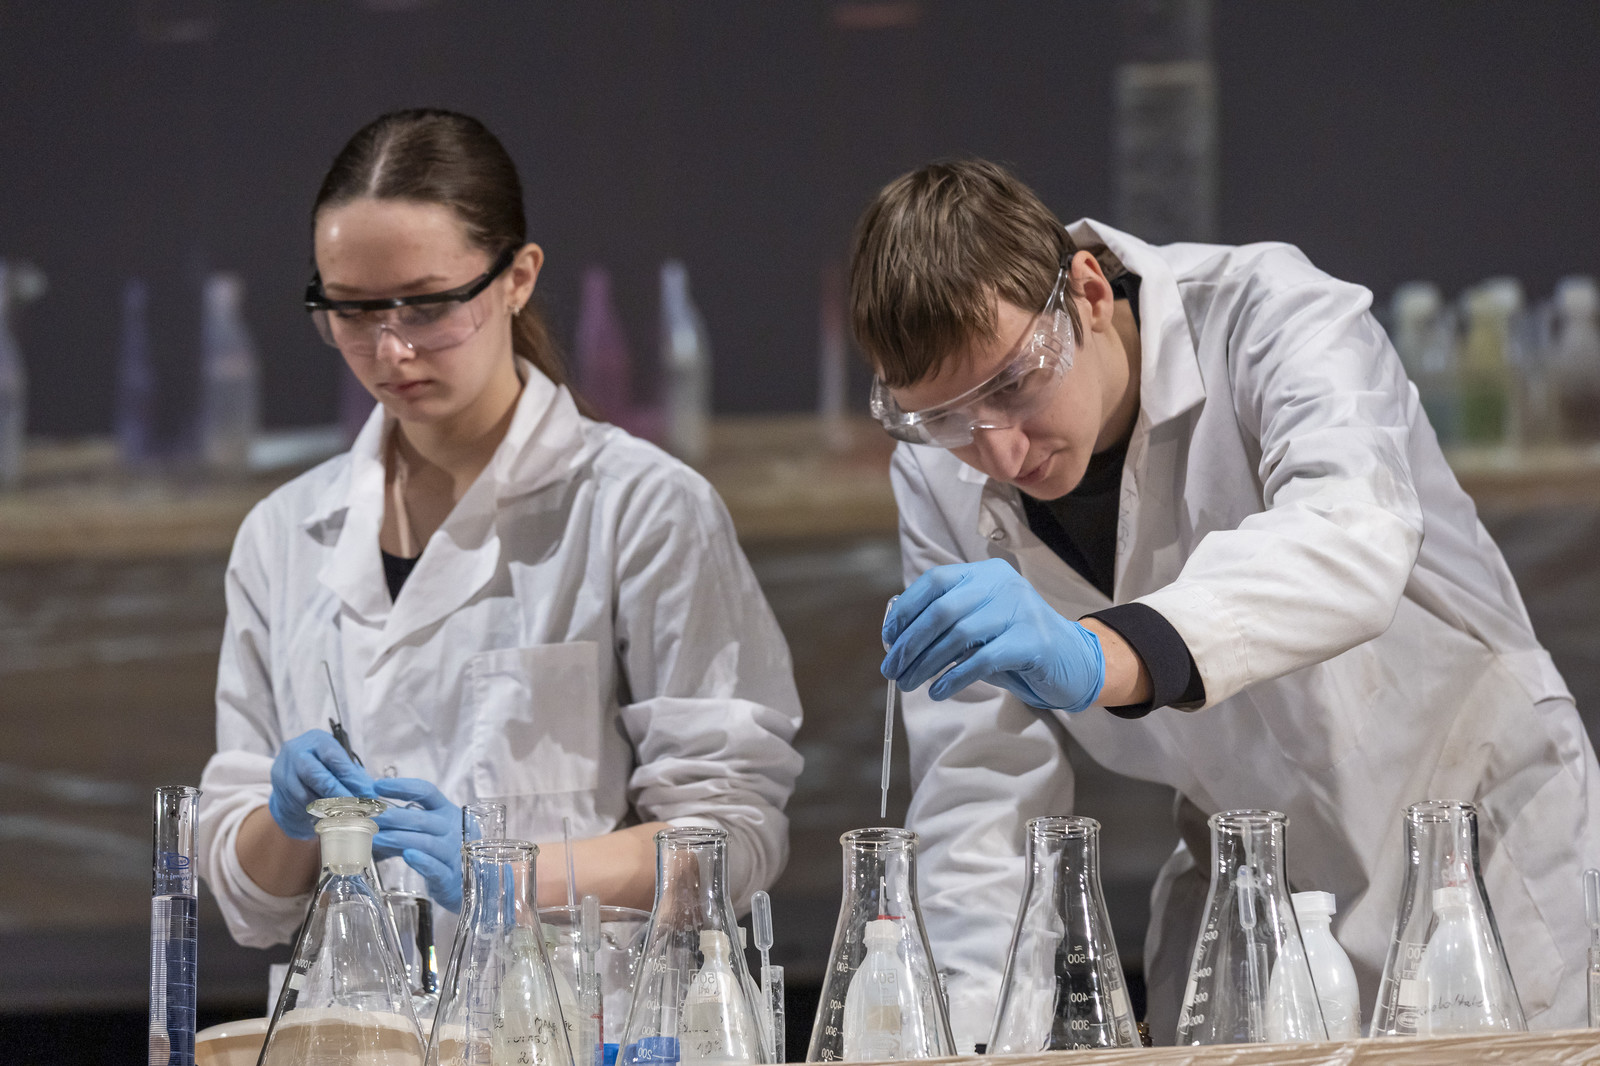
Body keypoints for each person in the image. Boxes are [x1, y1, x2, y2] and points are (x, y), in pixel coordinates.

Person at [856, 159, 1600, 1045]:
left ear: (1087, 292)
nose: (1001, 452)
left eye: (1015, 384)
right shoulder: (938, 478)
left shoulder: (1270, 313)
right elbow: (979, 788)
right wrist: (974, 1041)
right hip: (1247, 885)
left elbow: (1350, 534)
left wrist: (1104, 654)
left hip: (1477, 845)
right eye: (945, 420)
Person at [196, 109, 803, 947]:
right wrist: (286, 819)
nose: (391, 350)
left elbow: (731, 836)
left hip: (567, 1007)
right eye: (352, 311)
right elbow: (252, 905)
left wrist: (510, 875)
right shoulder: (281, 535)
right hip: (351, 1008)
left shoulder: (643, 507)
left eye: (427, 306)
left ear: (517, 278)